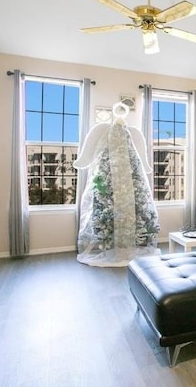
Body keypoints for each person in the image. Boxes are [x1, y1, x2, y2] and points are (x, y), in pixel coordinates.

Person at [73, 102, 160, 267]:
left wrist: (144, 168)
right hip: (109, 176)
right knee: (109, 214)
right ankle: (113, 250)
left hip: (130, 178)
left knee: (131, 216)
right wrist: (82, 161)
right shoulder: (105, 131)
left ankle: (127, 249)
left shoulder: (132, 132)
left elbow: (141, 157)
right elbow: (88, 158)